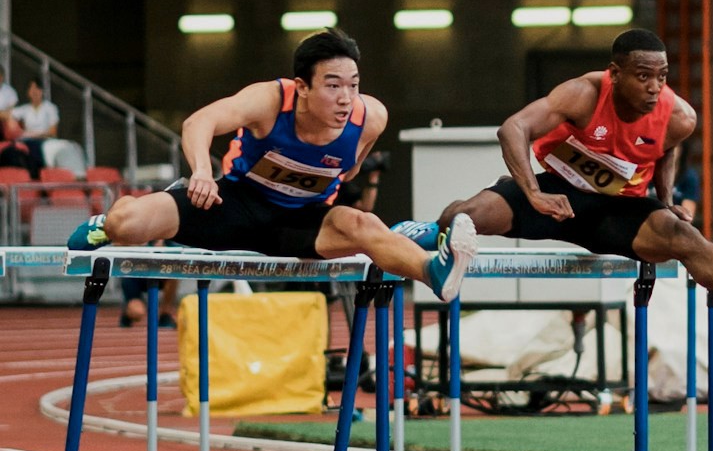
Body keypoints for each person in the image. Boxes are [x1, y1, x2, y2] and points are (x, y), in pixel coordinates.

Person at [428, 26, 713, 334]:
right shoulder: (584, 95)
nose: (655, 87)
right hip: (559, 195)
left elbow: (665, 149)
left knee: (683, 235)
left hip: (618, 211)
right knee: (463, 216)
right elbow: (513, 128)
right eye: (643, 76)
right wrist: (534, 192)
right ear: (615, 73)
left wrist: (667, 197)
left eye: (662, 76)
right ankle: (431, 232)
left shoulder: (679, 118)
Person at [69, 27, 476, 300]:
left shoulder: (371, 118)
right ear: (302, 87)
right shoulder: (269, 101)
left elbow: (349, 171)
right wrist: (201, 173)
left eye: (353, 86)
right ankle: (102, 225)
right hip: (233, 204)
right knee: (129, 225)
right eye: (333, 86)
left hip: (300, 221)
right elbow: (199, 122)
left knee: (363, 225)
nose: (345, 98)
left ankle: (432, 270)